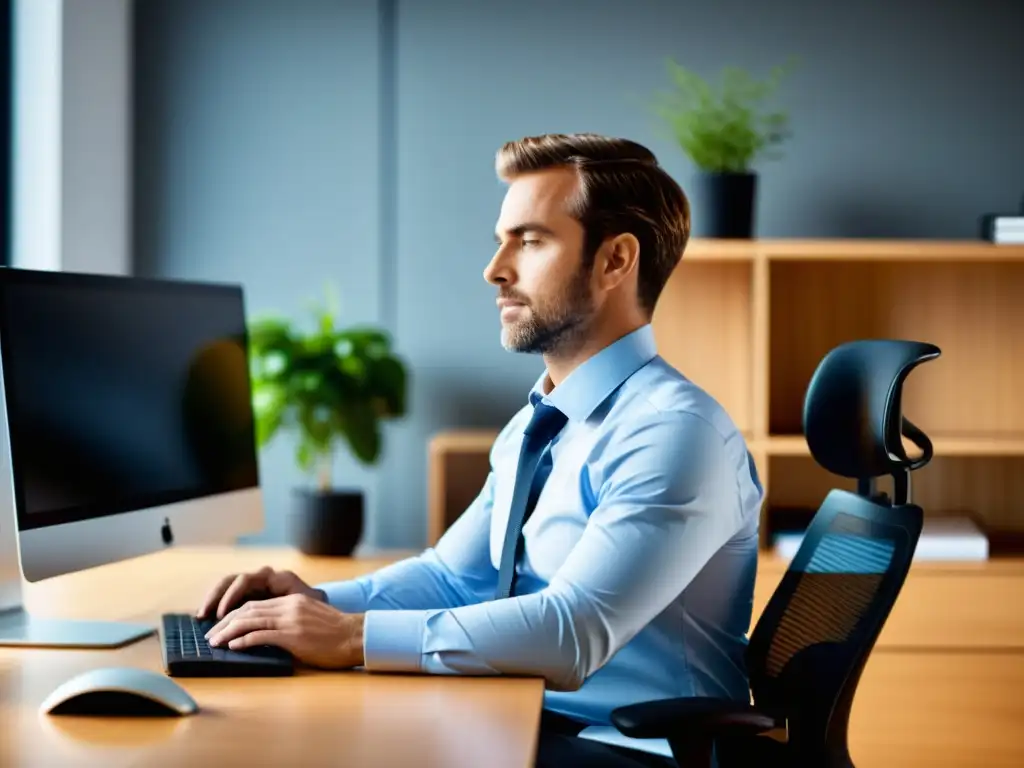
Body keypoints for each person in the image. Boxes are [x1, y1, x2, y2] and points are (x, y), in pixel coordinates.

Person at [197, 133, 764, 767]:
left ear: (614, 261)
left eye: (530, 241)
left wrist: (353, 636)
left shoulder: (673, 433)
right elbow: (453, 575)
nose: (495, 268)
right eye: (502, 240)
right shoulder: (541, 421)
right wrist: (314, 605)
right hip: (526, 717)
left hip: (633, 750)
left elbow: (572, 635)